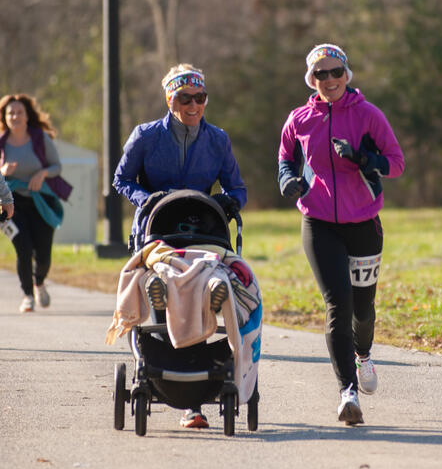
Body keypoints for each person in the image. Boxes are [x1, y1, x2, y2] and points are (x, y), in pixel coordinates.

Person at [113, 63, 248, 429]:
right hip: (157, 232)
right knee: (166, 291)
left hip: (202, 232)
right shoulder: (145, 136)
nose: (193, 105)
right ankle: (180, 390)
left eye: (200, 97)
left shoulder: (217, 139)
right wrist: (147, 198)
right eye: (184, 97)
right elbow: (121, 179)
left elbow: (237, 188)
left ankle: (194, 402)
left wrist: (229, 202)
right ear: (169, 99)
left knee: (199, 291)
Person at [278, 44, 404, 426]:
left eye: (335, 72)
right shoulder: (299, 119)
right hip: (318, 223)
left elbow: (396, 164)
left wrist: (364, 159)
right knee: (338, 305)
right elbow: (285, 157)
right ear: (311, 80)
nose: (329, 80)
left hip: (364, 224)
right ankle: (347, 392)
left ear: (347, 75)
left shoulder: (368, 115)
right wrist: (286, 179)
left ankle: (364, 354)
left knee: (363, 311)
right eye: (321, 75)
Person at [0, 93, 64, 313]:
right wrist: (2, 172)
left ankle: (39, 282)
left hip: (41, 201)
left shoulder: (39, 138)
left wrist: (42, 174)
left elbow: (57, 166)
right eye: (11, 113)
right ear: (5, 117)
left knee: (43, 254)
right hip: (12, 203)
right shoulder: (1, 142)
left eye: (19, 112)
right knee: (23, 248)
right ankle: (27, 294)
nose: (15, 116)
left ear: (27, 116)